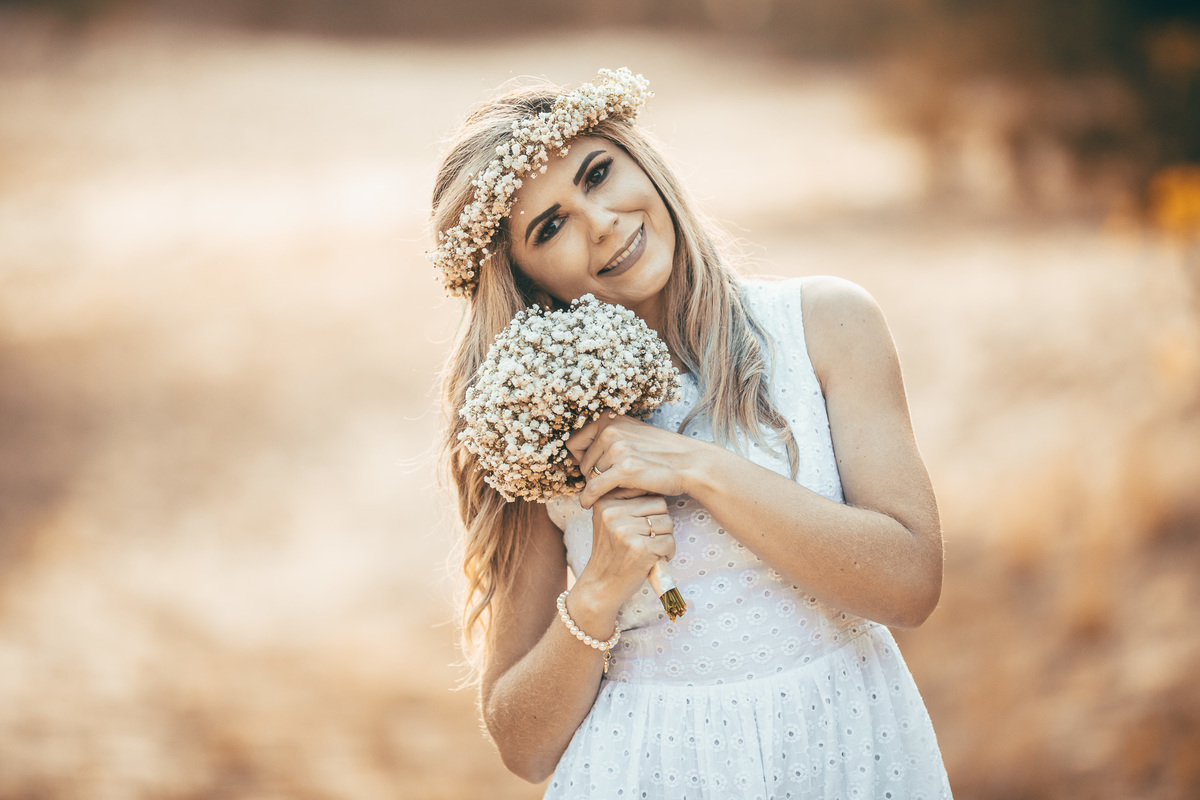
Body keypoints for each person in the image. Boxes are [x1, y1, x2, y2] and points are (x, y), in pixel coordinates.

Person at [431, 68, 953, 798]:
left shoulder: (826, 325)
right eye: (550, 226)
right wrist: (598, 591)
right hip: (644, 768)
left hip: (841, 745)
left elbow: (911, 585)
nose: (600, 221)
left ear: (640, 160)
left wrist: (698, 468)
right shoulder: (540, 420)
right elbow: (524, 747)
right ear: (526, 277)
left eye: (598, 174)